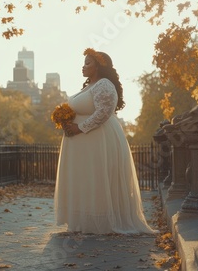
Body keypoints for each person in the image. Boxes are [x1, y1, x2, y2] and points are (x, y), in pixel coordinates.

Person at [54, 48, 157, 234]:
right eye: (84, 63)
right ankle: (83, 220)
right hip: (81, 142)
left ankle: (101, 221)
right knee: (84, 179)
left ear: (99, 66)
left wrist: (79, 127)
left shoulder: (104, 85)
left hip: (97, 140)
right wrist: (66, 120)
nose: (83, 66)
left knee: (97, 177)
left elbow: (104, 112)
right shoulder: (88, 86)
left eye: (88, 63)